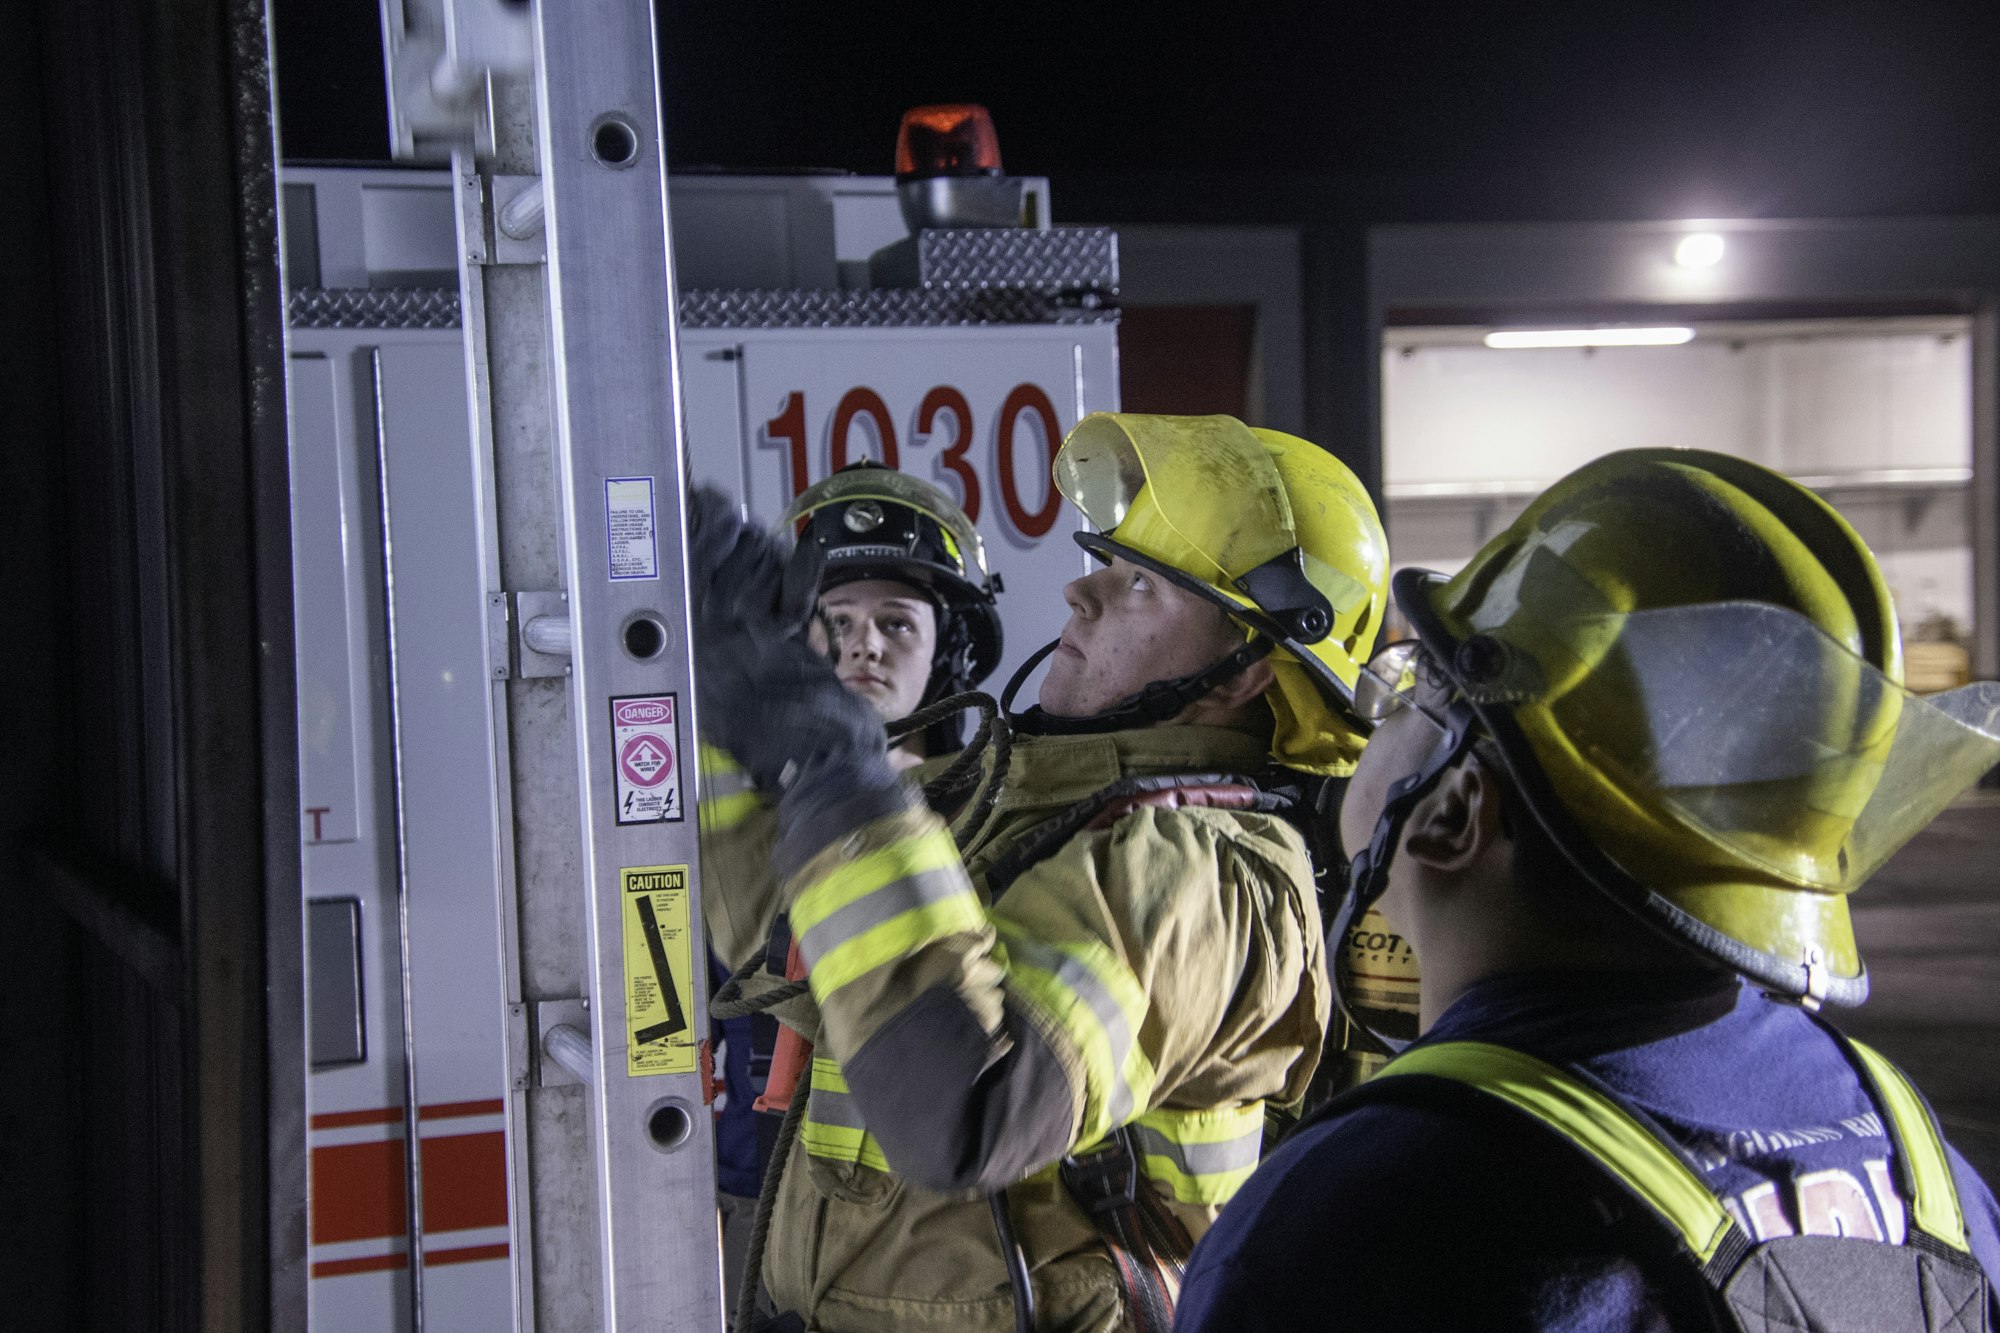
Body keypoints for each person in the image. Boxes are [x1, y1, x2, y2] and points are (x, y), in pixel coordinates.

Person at [1175, 448, 2000, 1331]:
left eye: (1415, 688)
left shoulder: (1354, 1217)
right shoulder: (1925, 1169)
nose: (1386, 709)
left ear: (1455, 810)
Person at [687, 413, 1388, 1333]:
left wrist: (836, 769)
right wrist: (732, 704)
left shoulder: (1209, 874)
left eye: (1141, 583)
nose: (1081, 590)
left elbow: (967, 1107)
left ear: (1242, 674)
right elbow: (790, 957)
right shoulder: (1012, 804)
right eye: (1105, 561)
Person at [697, 462, 1004, 1316]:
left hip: (909, 1242)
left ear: (952, 650)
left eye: (897, 621)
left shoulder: (1002, 809)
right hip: (743, 1199)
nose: (866, 643)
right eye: (838, 620)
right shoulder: (727, 796)